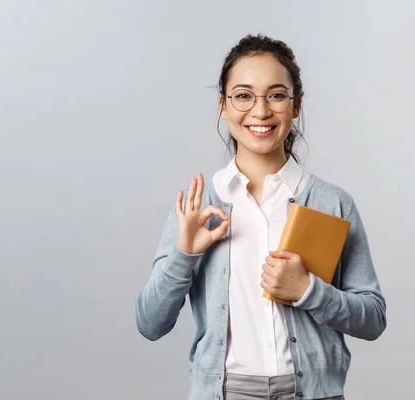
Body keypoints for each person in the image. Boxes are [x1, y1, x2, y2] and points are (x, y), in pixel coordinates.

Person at [136, 34, 387, 400]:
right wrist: (184, 255)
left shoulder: (331, 202)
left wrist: (308, 291)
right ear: (223, 105)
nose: (260, 111)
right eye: (243, 95)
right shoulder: (198, 206)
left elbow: (373, 318)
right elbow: (150, 324)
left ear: (296, 105)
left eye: (276, 95)